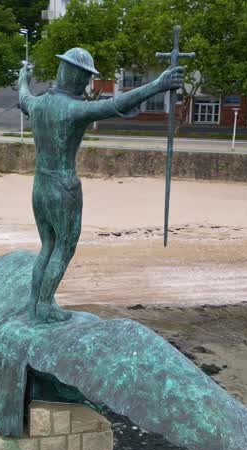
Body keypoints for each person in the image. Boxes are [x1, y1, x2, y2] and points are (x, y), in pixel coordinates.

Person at [18, 48, 184, 322]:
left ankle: (35, 305)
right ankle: (45, 307)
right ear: (75, 77)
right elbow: (114, 105)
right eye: (85, 79)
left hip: (40, 186)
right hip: (63, 187)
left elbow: (22, 94)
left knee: (47, 245)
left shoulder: (37, 104)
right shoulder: (72, 109)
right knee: (64, 248)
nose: (86, 85)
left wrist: (23, 77)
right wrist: (158, 84)